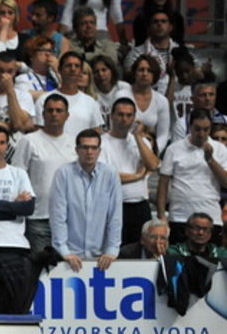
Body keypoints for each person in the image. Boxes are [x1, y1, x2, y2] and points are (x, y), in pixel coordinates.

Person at [49, 129, 122, 272]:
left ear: (99, 151)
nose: (89, 152)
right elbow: (58, 216)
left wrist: (112, 250)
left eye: (94, 148)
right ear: (77, 150)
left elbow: (115, 216)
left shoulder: (110, 174)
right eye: (85, 147)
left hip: (102, 256)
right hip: (69, 256)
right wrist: (65, 252)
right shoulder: (63, 173)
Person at [0, 125, 35, 313]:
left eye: (2, 143)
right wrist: (12, 206)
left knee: (17, 307)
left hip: (16, 247)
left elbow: (28, 207)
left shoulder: (19, 173)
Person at [12, 93, 76, 252]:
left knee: (70, 268)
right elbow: (17, 176)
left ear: (67, 115)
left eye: (59, 111)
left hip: (70, 217)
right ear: (43, 114)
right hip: (38, 217)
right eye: (50, 110)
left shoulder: (76, 143)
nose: (54, 114)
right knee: (39, 270)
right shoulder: (29, 141)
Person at [158, 109, 227, 244]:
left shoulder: (220, 149)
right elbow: (163, 183)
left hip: (211, 216)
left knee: (212, 262)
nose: (201, 134)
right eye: (197, 129)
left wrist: (210, 160)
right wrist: (161, 215)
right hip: (180, 217)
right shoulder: (174, 149)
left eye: (206, 129)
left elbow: (226, 183)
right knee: (179, 262)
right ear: (190, 127)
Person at [100, 98, 160, 245]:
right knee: (114, 250)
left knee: (141, 251)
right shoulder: (101, 142)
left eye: (129, 115)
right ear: (111, 116)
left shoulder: (142, 141)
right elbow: (107, 175)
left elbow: (152, 165)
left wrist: (138, 137)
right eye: (120, 115)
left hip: (140, 205)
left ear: (134, 118)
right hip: (113, 206)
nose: (124, 119)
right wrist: (137, 176)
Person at [34, 51, 103, 137]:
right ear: (59, 69)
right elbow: (38, 133)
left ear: (81, 70)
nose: (73, 69)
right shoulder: (44, 100)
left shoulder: (90, 102)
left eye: (76, 66)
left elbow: (96, 132)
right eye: (68, 65)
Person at [124, 10, 180, 95]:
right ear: (149, 27)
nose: (159, 24)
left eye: (163, 21)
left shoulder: (181, 52)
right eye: (155, 22)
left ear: (170, 27)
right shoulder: (136, 53)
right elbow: (129, 76)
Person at [128, 55, 171, 154]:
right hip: (124, 150)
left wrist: (153, 153)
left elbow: (163, 134)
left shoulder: (162, 101)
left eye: (149, 70)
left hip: (151, 151)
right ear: (135, 73)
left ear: (155, 75)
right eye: (141, 70)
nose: (145, 74)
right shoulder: (122, 95)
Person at [91, 55, 132, 129]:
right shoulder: (91, 91)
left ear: (112, 71)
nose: (100, 74)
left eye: (104, 70)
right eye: (96, 72)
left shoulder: (123, 87)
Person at [14, 36, 59, 102]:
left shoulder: (56, 76)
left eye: (50, 50)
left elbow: (69, 92)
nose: (48, 54)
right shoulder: (23, 79)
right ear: (31, 56)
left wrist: (58, 71)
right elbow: (23, 97)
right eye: (43, 50)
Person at [60, 0, 124, 42]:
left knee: (107, 53)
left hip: (100, 30)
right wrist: (59, 37)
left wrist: (123, 40)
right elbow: (68, 10)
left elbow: (116, 12)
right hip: (76, 30)